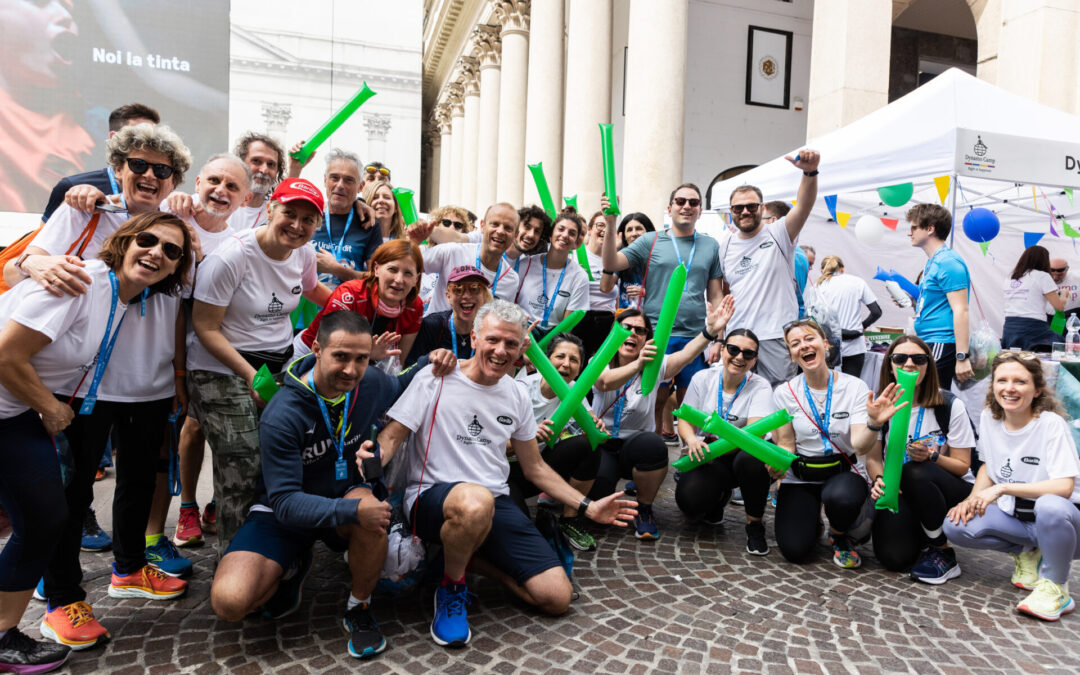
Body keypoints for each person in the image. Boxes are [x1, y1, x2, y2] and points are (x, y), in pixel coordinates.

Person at [10, 125, 198, 647]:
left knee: (138, 482)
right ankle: (62, 596)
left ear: (174, 179)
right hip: (85, 383)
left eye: (162, 170)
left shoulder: (178, 224)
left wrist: (177, 376)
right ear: (118, 167)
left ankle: (129, 568)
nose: (149, 176)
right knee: (71, 495)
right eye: (139, 165)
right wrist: (35, 261)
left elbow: (180, 310)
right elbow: (23, 268)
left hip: (149, 383)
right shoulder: (84, 209)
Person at [375, 300, 637, 648]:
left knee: (556, 597)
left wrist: (587, 506)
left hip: (493, 502)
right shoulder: (435, 377)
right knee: (475, 501)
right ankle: (452, 589)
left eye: (511, 344)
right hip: (430, 497)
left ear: (520, 349)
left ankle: (470, 559)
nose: (501, 351)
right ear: (474, 338)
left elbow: (535, 467)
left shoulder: (515, 394)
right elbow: (392, 437)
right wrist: (364, 474)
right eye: (493, 340)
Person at [209, 310, 456, 658]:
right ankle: (292, 565)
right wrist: (351, 510)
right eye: (341, 356)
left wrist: (433, 358)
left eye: (361, 359)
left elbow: (403, 382)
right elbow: (285, 502)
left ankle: (359, 607)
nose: (351, 370)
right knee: (230, 602)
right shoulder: (283, 413)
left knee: (373, 512)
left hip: (345, 495)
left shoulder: (370, 382)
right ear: (316, 349)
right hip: (286, 512)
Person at [189, 178, 332, 550]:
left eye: (308, 219)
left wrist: (357, 306)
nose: (297, 225)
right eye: (289, 213)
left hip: (276, 365)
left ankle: (271, 547)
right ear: (270, 209)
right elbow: (204, 327)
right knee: (244, 462)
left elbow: (312, 289)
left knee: (278, 455)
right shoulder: (232, 256)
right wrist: (252, 376)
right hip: (221, 365)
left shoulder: (303, 253)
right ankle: (234, 557)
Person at [944, 352, 1080, 621]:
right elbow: (988, 466)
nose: (1009, 388)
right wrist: (971, 500)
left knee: (1049, 505)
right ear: (993, 385)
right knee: (956, 525)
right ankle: (1028, 552)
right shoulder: (989, 417)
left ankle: (1056, 587)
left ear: (1037, 390)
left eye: (1020, 381)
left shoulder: (1051, 424)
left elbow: (1064, 487)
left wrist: (1003, 488)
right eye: (1002, 380)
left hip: (1068, 525)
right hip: (1019, 518)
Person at [590, 298, 735, 540]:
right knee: (598, 492)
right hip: (603, 443)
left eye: (640, 330)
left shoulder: (656, 365)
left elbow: (686, 355)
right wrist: (638, 364)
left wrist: (710, 331)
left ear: (647, 338)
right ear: (614, 331)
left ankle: (644, 509)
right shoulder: (600, 358)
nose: (632, 333)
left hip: (637, 445)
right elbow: (604, 382)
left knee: (654, 445)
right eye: (626, 327)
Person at [771, 319, 904, 569]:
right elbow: (787, 444)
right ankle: (813, 521)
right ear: (791, 354)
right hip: (802, 475)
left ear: (825, 344)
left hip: (843, 472)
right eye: (795, 344)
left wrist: (874, 424)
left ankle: (839, 534)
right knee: (794, 550)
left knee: (841, 498)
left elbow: (860, 446)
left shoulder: (854, 387)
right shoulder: (784, 393)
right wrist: (777, 464)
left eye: (809, 338)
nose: (803, 346)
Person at [601, 185, 724, 444]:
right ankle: (653, 453)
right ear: (670, 208)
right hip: (657, 334)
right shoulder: (650, 240)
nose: (686, 206)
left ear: (700, 210)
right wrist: (611, 224)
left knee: (691, 404)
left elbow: (715, 294)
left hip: (695, 336)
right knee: (654, 401)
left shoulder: (710, 245)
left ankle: (691, 455)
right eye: (680, 201)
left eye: (693, 202)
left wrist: (719, 338)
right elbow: (611, 264)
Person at [864, 336, 974, 581]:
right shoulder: (882, 405)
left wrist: (932, 457)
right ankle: (922, 532)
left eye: (919, 359)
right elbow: (872, 458)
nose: (909, 364)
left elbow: (962, 466)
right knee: (894, 559)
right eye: (900, 358)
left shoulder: (949, 405)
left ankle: (941, 550)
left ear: (928, 365)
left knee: (915, 470)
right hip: (900, 491)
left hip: (945, 489)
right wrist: (879, 479)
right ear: (890, 366)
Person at [717, 150, 821, 386]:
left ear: (762, 208)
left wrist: (810, 172)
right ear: (731, 212)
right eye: (738, 208)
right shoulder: (726, 246)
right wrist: (720, 338)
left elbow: (804, 206)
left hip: (775, 335)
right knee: (738, 397)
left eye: (751, 206)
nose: (745, 211)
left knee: (778, 397)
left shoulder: (779, 233)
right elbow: (725, 294)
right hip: (738, 338)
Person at [674, 328, 775, 555]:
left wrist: (714, 449)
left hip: (741, 455)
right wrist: (691, 440)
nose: (739, 357)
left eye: (748, 353)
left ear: (755, 359)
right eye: (733, 349)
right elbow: (684, 419)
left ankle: (754, 525)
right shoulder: (703, 378)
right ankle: (718, 499)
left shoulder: (760, 386)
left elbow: (754, 435)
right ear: (722, 350)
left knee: (751, 459)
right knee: (690, 501)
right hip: (708, 455)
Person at [512, 333, 604, 551]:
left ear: (580, 368)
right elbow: (493, 443)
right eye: (560, 356)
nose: (566, 364)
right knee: (518, 530)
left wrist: (595, 426)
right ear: (547, 359)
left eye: (574, 360)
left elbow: (589, 418)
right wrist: (527, 436)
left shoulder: (574, 391)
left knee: (588, 445)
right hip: (506, 471)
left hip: (539, 468)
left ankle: (570, 519)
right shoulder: (520, 389)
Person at [294, 240, 425, 367]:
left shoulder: (415, 306)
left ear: (416, 279)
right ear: (377, 269)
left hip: (364, 364)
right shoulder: (350, 294)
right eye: (392, 269)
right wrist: (366, 354)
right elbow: (324, 353)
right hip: (311, 356)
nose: (399, 279)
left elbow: (398, 363)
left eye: (408, 273)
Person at [39, 103, 161, 224]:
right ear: (114, 138)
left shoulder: (161, 191)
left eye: (155, 138)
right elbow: (43, 235)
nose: (148, 143)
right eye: (137, 136)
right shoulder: (71, 186)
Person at [907, 203, 973, 388]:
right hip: (931, 340)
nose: (909, 233)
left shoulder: (948, 261)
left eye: (914, 227)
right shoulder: (934, 261)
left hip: (941, 341)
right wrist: (912, 301)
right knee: (925, 397)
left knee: (931, 396)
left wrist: (962, 357)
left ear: (930, 229)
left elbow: (961, 310)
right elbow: (936, 304)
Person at [416, 203, 522, 313]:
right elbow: (411, 267)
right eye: (495, 224)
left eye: (508, 228)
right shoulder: (452, 252)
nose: (500, 231)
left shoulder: (511, 280)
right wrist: (414, 241)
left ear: (516, 235)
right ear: (482, 226)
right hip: (437, 324)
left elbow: (501, 317)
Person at [512, 210, 589, 331]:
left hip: (553, 335)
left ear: (576, 242)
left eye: (572, 233)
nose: (565, 235)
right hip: (519, 329)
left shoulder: (580, 277)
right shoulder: (526, 264)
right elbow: (511, 305)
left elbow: (567, 326)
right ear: (550, 235)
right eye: (561, 229)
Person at [406, 265, 493, 366]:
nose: (467, 295)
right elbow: (408, 369)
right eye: (458, 289)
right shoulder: (432, 325)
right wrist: (429, 359)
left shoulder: (490, 330)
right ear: (448, 296)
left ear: (484, 296)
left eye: (475, 288)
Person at [815, 256, 882, 376]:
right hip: (854, 344)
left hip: (828, 343)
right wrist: (863, 326)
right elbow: (876, 312)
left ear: (822, 270)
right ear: (843, 268)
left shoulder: (818, 286)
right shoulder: (857, 282)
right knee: (852, 384)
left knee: (826, 383)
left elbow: (814, 317)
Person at [572, 210, 618, 357]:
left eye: (609, 227)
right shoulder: (574, 256)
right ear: (590, 229)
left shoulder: (617, 261)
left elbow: (616, 297)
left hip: (607, 324)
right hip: (579, 320)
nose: (604, 230)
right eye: (600, 225)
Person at [1001, 245, 1065, 350]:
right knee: (1059, 347)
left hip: (1010, 326)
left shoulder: (1010, 277)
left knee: (1015, 357)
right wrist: (1064, 294)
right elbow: (1059, 307)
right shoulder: (1042, 276)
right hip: (1033, 327)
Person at [761, 201, 810, 319]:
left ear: (773, 220)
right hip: (794, 314)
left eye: (762, 219)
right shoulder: (800, 253)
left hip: (784, 318)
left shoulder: (783, 253)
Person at [229, 132, 287, 230]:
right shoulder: (219, 202)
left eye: (271, 164)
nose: (264, 170)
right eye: (256, 161)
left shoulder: (274, 212)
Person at [614, 212, 654, 310]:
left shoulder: (658, 258)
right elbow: (606, 287)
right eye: (629, 230)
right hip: (626, 316)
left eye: (639, 228)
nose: (634, 234)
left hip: (652, 316)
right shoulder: (619, 259)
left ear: (649, 232)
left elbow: (669, 292)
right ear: (623, 236)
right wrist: (615, 251)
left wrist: (645, 292)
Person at [1048, 257, 1080, 323]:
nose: (1055, 278)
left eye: (1060, 275)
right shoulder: (1041, 279)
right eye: (1052, 274)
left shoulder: (1077, 278)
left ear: (1067, 269)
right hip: (1048, 316)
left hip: (1071, 315)